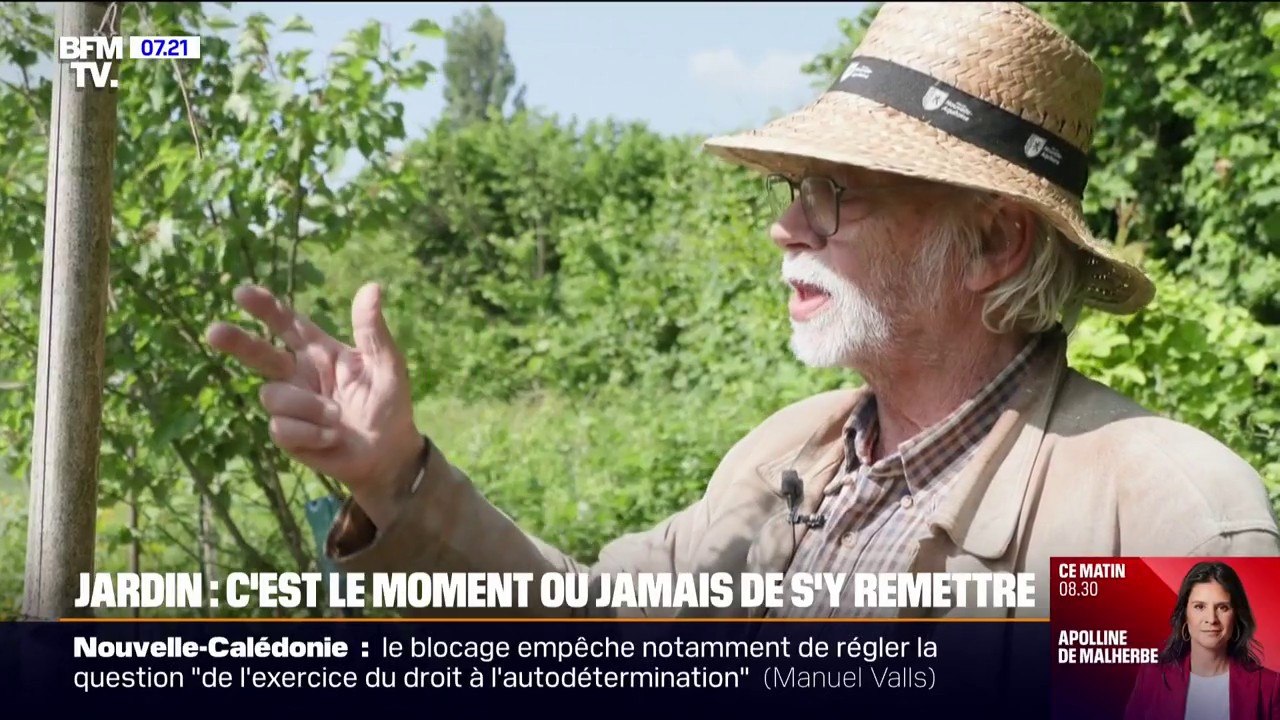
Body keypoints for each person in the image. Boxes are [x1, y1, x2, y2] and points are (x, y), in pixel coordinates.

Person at [205, 2, 1280, 620]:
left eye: (835, 194)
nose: (786, 229)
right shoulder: (786, 457)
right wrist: (394, 478)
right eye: (790, 191)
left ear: (994, 244)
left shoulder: (1163, 515)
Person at [1125, 562, 1280, 720]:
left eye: (1222, 607)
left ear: (1236, 616)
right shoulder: (1152, 677)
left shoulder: (1269, 686)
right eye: (1200, 607)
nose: (1211, 619)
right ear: (1185, 615)